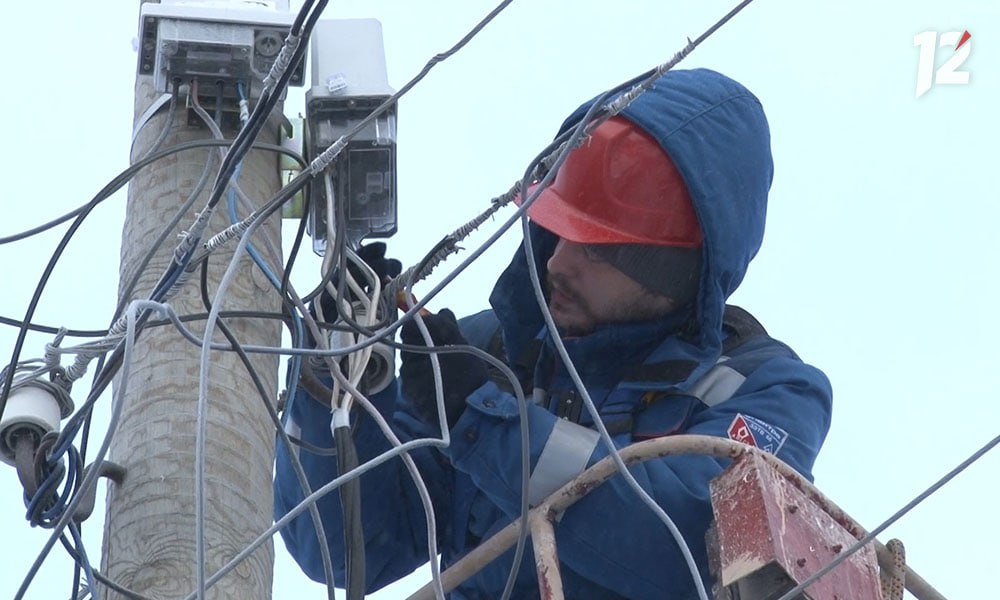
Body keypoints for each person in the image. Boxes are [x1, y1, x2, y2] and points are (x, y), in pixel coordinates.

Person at [274, 68, 832, 599]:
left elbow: (683, 541)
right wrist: (337, 381)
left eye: (595, 249)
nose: (557, 264)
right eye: (557, 230)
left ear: (669, 273)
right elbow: (345, 552)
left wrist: (486, 422)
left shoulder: (767, 391)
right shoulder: (494, 355)